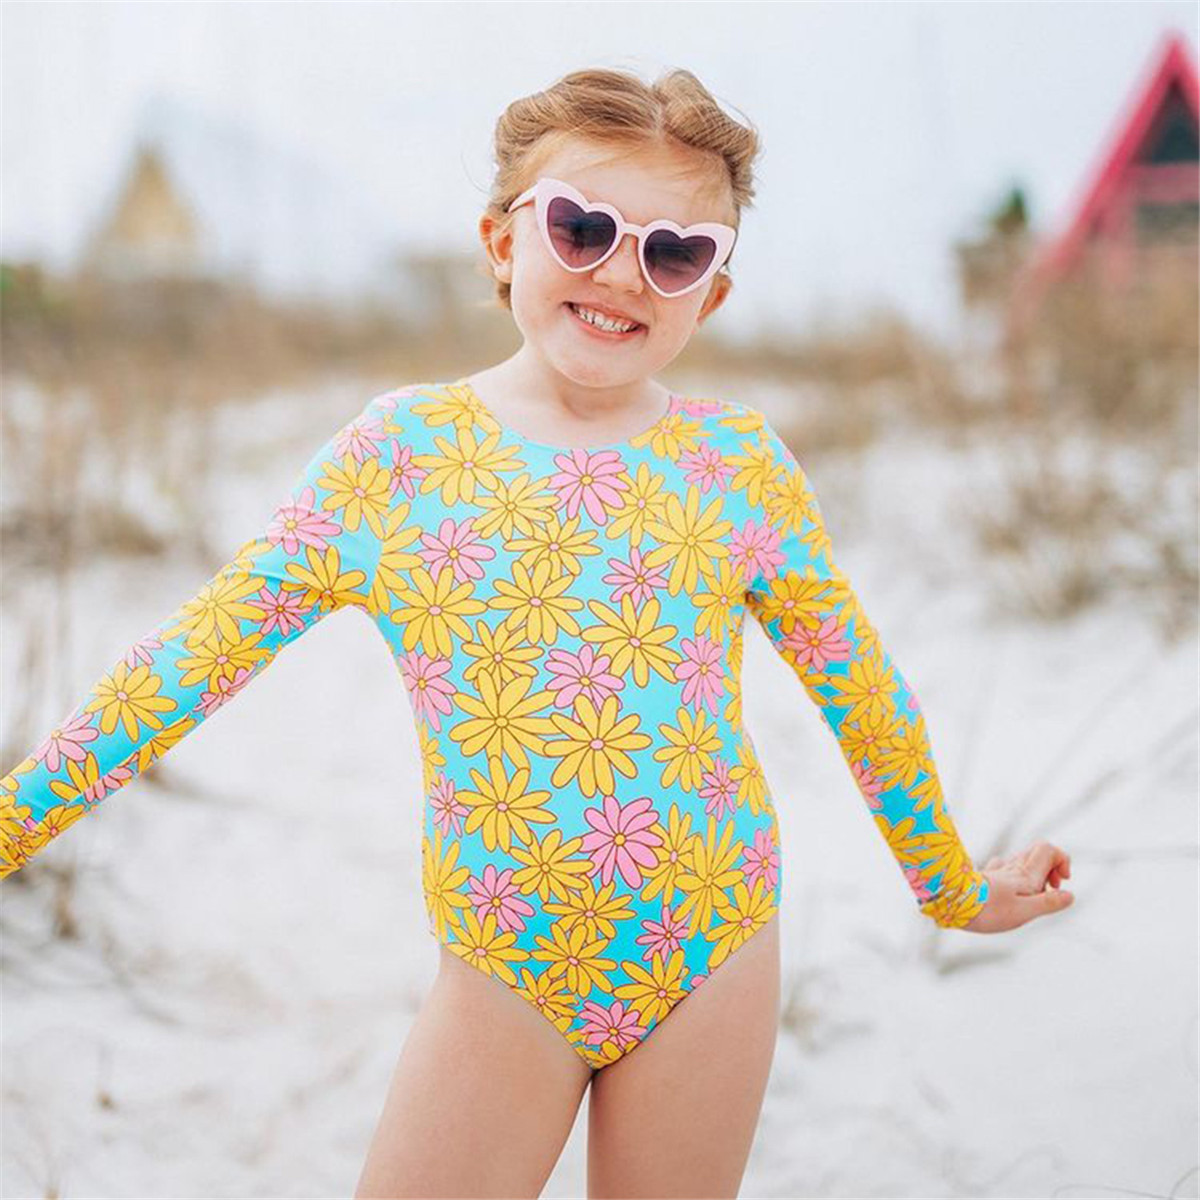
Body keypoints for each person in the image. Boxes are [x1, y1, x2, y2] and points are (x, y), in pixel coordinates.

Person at [0, 66, 1074, 1200]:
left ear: (709, 296)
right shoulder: (398, 458)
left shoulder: (737, 465)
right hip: (507, 962)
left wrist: (950, 885)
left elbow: (860, 688)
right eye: (582, 227)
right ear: (502, 241)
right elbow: (185, 665)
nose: (621, 273)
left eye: (675, 252)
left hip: (716, 942)